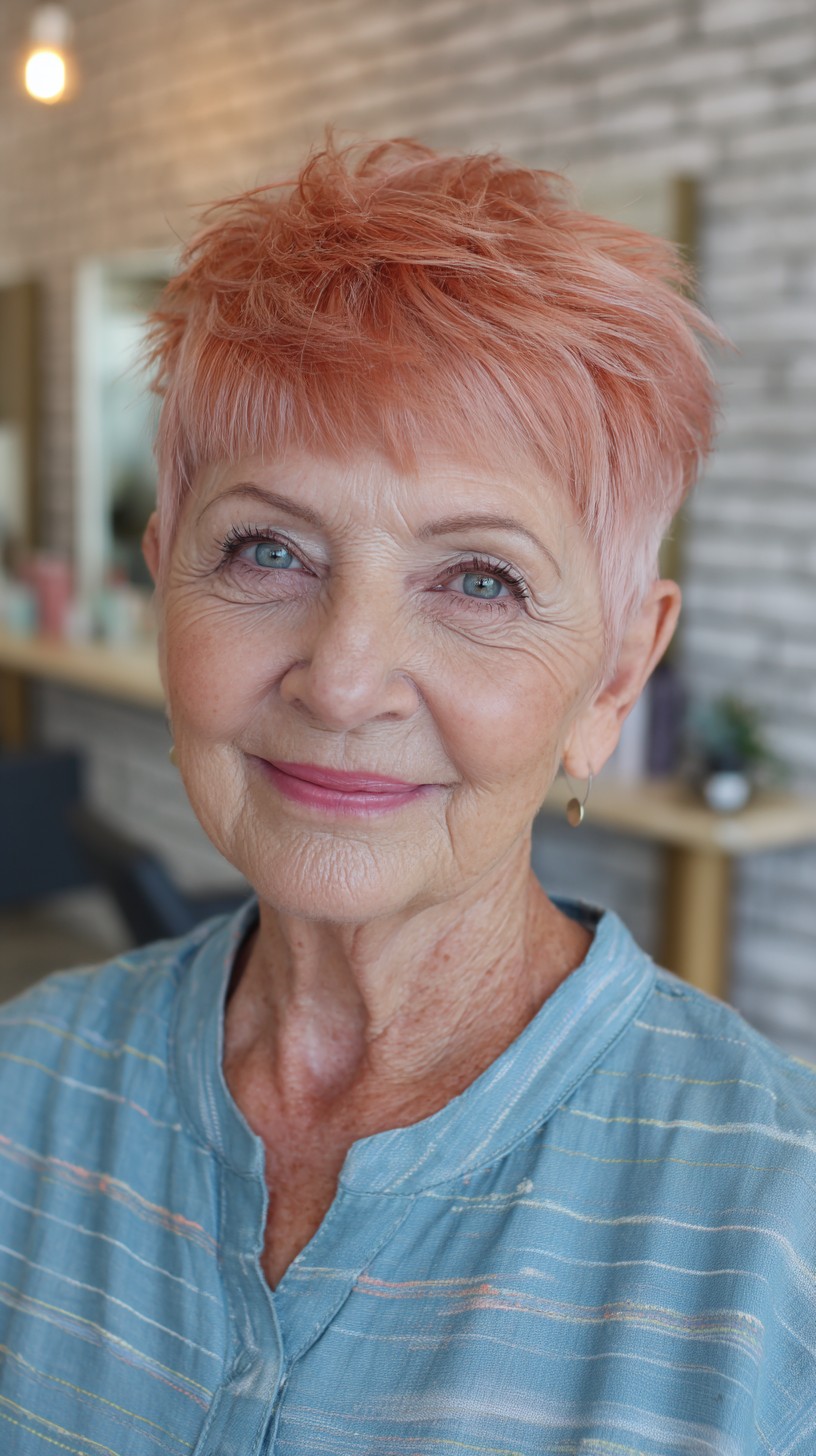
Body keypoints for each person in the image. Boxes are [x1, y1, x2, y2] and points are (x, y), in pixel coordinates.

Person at [1, 137, 814, 1456]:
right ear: (163, 584)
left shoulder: (780, 1242)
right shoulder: (23, 1089)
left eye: (479, 580)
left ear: (616, 675)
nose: (343, 680)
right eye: (266, 549)